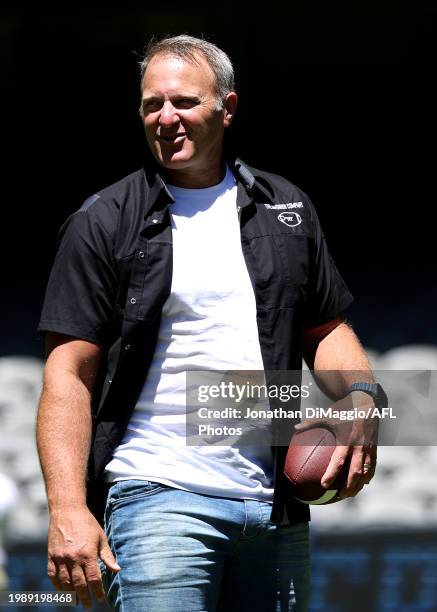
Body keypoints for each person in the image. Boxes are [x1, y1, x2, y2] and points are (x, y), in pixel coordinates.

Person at [36, 35, 383, 611]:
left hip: (272, 511)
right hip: (158, 501)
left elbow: (326, 330)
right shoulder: (100, 222)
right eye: (152, 105)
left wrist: (365, 396)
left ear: (228, 107)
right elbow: (68, 371)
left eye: (184, 102)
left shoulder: (285, 207)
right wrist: (68, 509)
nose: (166, 118)